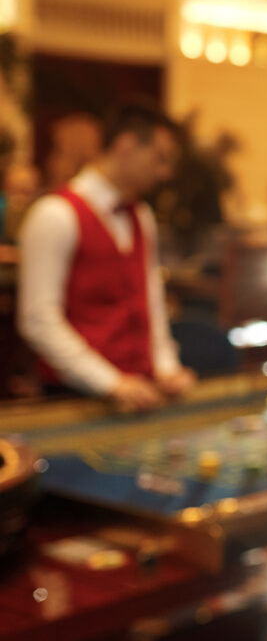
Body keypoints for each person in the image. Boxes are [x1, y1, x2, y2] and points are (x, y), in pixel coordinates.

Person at [17, 100, 196, 410]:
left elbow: (151, 302)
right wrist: (110, 382)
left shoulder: (142, 216)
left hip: (140, 393)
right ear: (126, 144)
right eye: (160, 158)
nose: (165, 173)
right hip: (73, 399)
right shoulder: (54, 214)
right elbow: (38, 320)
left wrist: (167, 367)